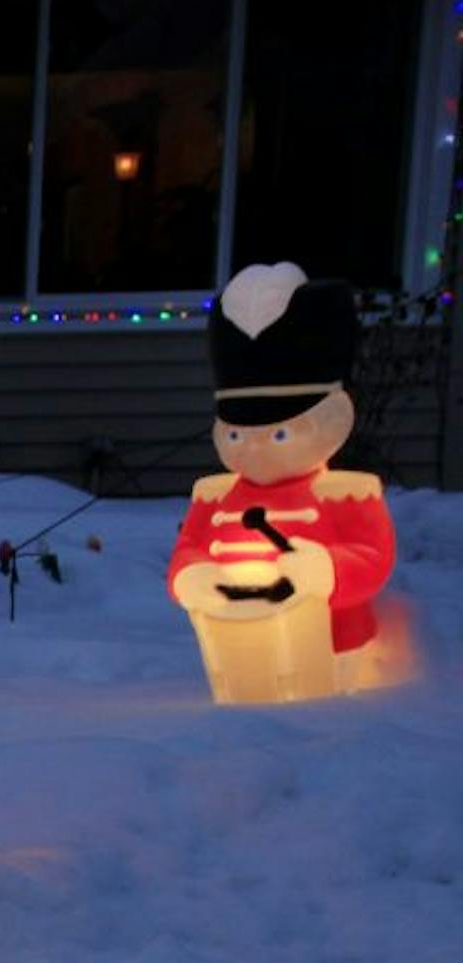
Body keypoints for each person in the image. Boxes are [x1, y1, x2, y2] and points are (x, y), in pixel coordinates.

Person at [167, 263, 398, 704]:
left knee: (316, 707)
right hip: (233, 646)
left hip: (332, 649)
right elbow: (188, 548)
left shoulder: (346, 493)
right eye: (236, 435)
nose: (254, 449)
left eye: (277, 434)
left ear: (333, 419)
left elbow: (373, 557)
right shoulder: (214, 497)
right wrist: (191, 575)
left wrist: (326, 570)